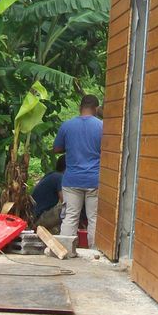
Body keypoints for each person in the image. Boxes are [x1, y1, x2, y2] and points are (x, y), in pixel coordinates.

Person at [53, 94, 103, 245]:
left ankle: (65, 250)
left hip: (72, 180)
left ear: (80, 108)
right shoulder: (102, 126)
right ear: (96, 109)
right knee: (94, 217)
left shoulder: (67, 125)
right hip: (94, 180)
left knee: (70, 216)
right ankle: (95, 252)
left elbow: (56, 149)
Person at [31, 156, 65, 232]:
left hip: (35, 216)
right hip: (39, 218)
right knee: (69, 208)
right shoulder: (59, 177)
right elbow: (64, 200)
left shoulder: (52, 175)